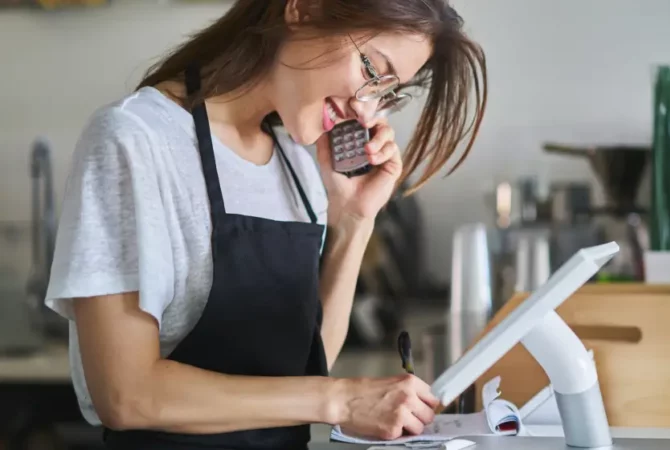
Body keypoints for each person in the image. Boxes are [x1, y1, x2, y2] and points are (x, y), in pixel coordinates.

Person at [43, 1, 487, 448]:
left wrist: (354, 222)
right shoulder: (135, 139)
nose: (365, 109)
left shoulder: (297, 165)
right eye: (372, 68)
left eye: (385, 92)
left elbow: (304, 369)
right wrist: (341, 400)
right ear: (303, 9)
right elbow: (125, 395)